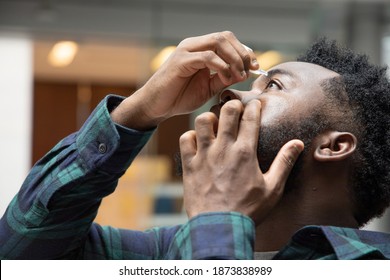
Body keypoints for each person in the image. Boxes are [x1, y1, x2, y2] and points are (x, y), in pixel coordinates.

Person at [0, 31, 389, 259]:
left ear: (334, 146)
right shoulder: (164, 253)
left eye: (272, 86)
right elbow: (19, 250)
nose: (232, 95)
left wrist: (219, 216)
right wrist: (138, 111)